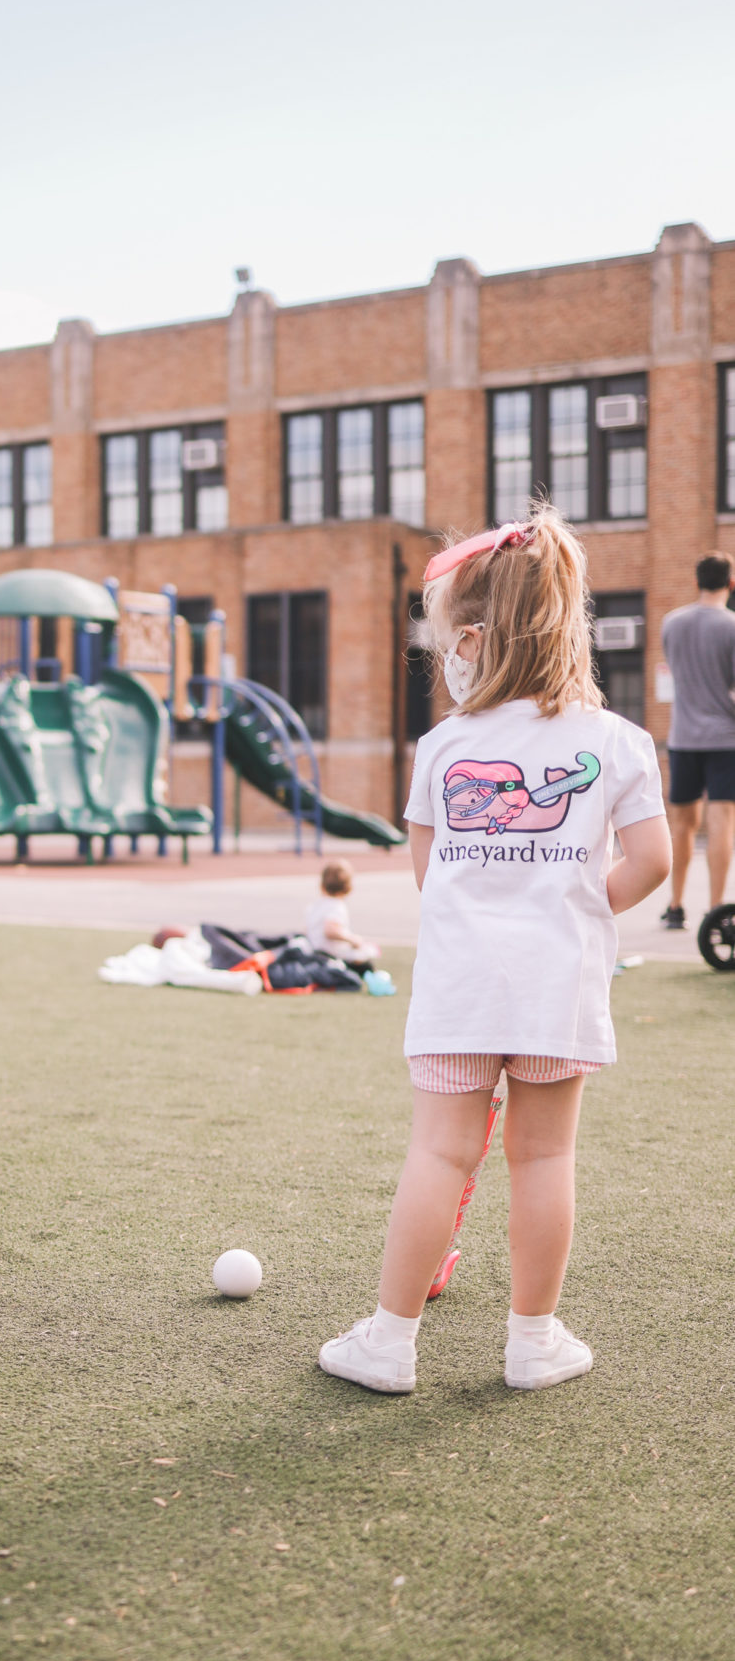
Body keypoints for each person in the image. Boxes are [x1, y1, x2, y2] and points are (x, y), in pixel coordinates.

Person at [319, 505, 670, 1395]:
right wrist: (583, 909)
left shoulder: (440, 747)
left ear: (471, 640)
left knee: (439, 1155)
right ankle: (532, 1342)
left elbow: (433, 877)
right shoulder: (617, 743)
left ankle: (389, 1344)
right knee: (544, 1159)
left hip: (460, 990)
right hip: (556, 986)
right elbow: (651, 864)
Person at [659, 552, 735, 929]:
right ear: (731, 583)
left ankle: (675, 907)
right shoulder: (732, 627)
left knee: (682, 825)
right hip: (724, 740)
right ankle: (717, 909)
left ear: (696, 582)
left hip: (683, 737)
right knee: (722, 821)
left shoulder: (671, 624)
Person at [305, 860, 380, 967]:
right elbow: (330, 931)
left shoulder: (315, 905)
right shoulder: (336, 906)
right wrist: (353, 940)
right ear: (348, 887)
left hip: (314, 951)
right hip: (330, 955)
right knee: (367, 960)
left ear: (322, 885)